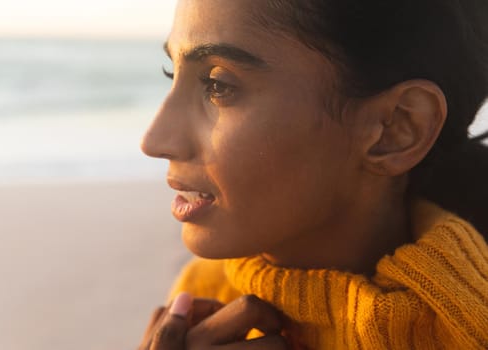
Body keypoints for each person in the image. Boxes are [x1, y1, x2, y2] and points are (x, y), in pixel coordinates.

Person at [138, 0, 488, 349]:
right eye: (172, 74)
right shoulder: (204, 302)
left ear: (396, 127)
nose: (154, 141)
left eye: (218, 85)